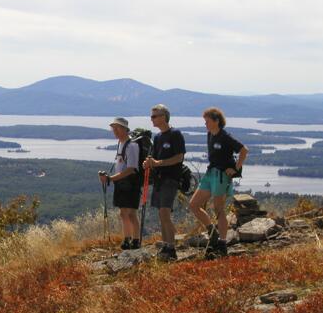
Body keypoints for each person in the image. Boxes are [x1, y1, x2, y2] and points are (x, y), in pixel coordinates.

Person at [189, 107, 249, 259]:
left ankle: (222, 243)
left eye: (207, 121)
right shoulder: (210, 134)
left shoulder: (225, 136)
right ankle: (212, 232)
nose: (205, 124)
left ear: (216, 121)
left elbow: (243, 150)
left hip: (222, 175)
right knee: (194, 205)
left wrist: (235, 168)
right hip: (210, 174)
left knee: (218, 208)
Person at [143, 104, 186, 261]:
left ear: (163, 117)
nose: (152, 119)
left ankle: (171, 248)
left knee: (164, 213)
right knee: (162, 215)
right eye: (151, 116)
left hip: (171, 179)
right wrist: (148, 163)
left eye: (154, 116)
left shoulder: (175, 134)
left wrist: (159, 163)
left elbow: (179, 157)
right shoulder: (158, 137)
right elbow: (154, 157)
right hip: (160, 180)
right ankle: (167, 246)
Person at [99, 117, 141, 250]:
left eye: (117, 128)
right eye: (113, 128)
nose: (115, 131)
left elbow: (131, 169)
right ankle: (135, 240)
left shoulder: (132, 146)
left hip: (130, 184)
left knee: (125, 213)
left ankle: (128, 240)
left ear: (125, 129)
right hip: (123, 184)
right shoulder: (121, 144)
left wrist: (111, 179)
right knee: (130, 213)